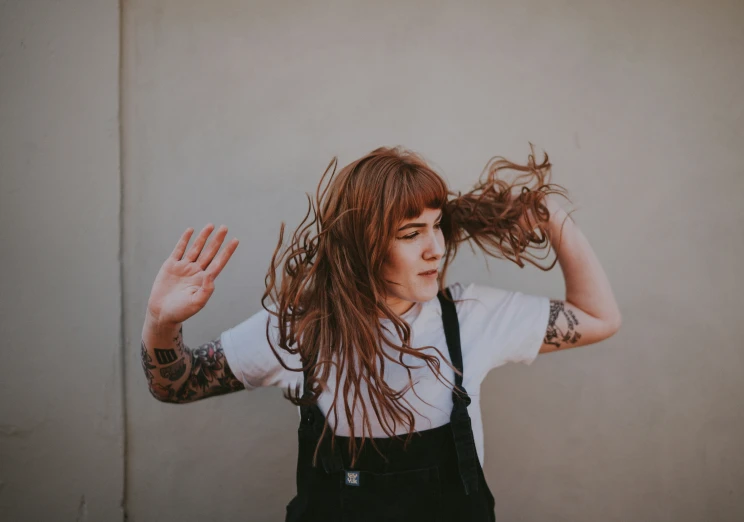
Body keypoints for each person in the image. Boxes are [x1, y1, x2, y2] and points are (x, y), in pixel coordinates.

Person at [141, 145, 622, 521]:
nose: (435, 248)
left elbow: (599, 318)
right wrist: (161, 323)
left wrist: (548, 216)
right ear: (360, 246)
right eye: (411, 234)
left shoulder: (469, 317)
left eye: (436, 226)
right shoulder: (300, 330)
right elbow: (174, 384)